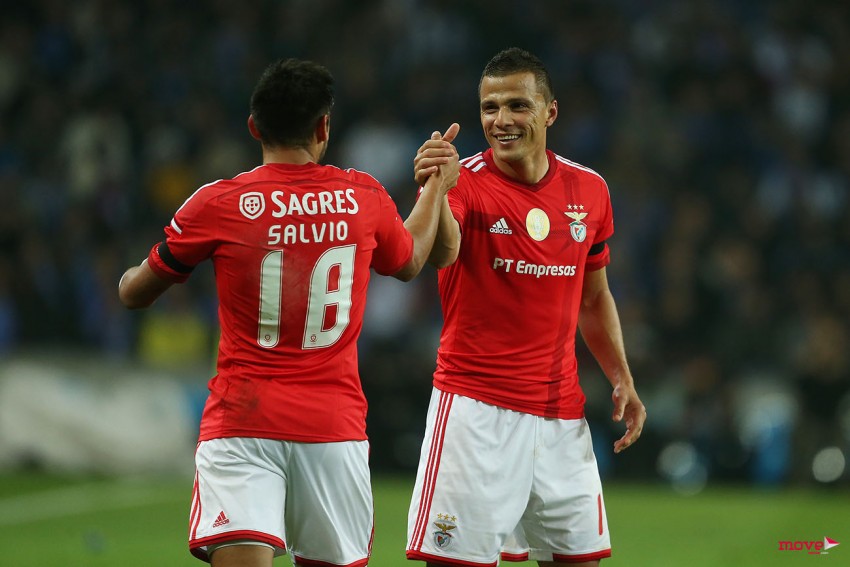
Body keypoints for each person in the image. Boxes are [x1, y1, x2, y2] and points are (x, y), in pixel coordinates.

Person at [118, 58, 460, 567]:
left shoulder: (217, 203)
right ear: (323, 127)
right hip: (333, 429)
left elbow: (135, 293)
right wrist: (435, 186)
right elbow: (411, 261)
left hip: (242, 424)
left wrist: (132, 274)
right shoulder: (361, 196)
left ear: (254, 127)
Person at [405, 47, 646, 567]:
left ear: (549, 112)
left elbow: (594, 296)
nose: (501, 120)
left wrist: (621, 377)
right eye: (489, 108)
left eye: (517, 105)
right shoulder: (465, 181)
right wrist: (435, 191)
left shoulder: (590, 189)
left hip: (561, 418)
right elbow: (442, 253)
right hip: (476, 413)